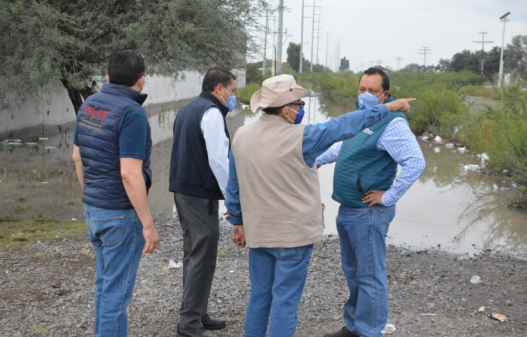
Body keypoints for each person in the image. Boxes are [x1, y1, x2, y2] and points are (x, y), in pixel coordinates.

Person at [225, 74, 416, 337]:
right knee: (285, 301)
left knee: (259, 297)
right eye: (299, 104)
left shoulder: (241, 135)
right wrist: (387, 107)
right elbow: (341, 126)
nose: (301, 109)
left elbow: (233, 186)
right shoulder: (302, 137)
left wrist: (237, 221)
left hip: (258, 232)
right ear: (285, 109)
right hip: (292, 236)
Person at [318, 67, 426, 337]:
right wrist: (314, 160)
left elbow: (416, 163)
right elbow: (342, 147)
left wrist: (387, 196)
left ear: (386, 95)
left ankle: (368, 332)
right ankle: (354, 325)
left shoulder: (392, 124)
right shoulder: (360, 119)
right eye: (362, 89)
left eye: (373, 91)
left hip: (367, 212)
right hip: (348, 208)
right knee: (354, 273)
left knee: (369, 276)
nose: (365, 95)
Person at [72, 50, 160, 337]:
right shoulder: (132, 113)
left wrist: (94, 196)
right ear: (142, 81)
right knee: (116, 296)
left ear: (107, 76)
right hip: (120, 215)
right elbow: (130, 173)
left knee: (105, 286)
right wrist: (148, 224)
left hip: (93, 209)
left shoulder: (89, 105)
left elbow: (76, 157)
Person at [169, 67, 237, 337]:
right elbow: (219, 160)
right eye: (232, 91)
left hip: (184, 191)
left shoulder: (189, 108)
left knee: (194, 254)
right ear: (219, 89)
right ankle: (189, 324)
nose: (233, 96)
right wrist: (232, 198)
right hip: (199, 194)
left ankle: (197, 312)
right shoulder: (210, 113)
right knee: (202, 257)